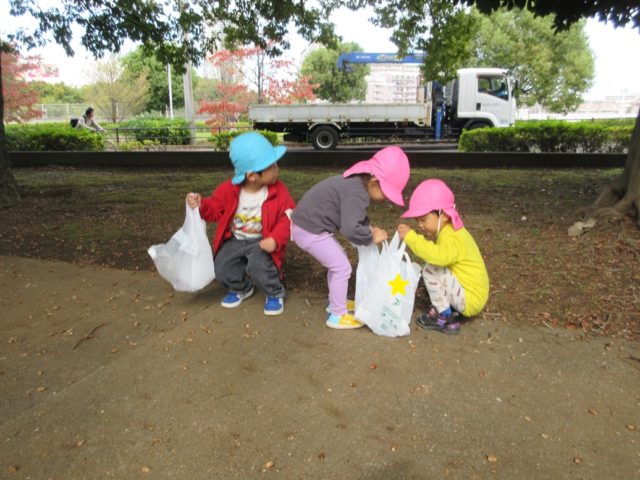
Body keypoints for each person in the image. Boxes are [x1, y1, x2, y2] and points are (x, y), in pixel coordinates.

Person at [291, 146, 410, 330]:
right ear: (374, 181)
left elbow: (351, 216)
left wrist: (367, 228)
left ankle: (335, 302)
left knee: (338, 263)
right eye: (386, 193)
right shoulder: (357, 193)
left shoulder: (356, 185)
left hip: (307, 226)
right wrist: (370, 236)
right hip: (310, 230)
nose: (386, 199)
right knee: (342, 267)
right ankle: (337, 315)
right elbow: (349, 228)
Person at [186, 132, 295, 316]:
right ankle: (242, 287)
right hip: (236, 240)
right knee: (221, 267)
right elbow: (215, 210)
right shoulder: (228, 190)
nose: (277, 168)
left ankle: (274, 292)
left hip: (262, 241)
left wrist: (275, 239)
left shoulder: (279, 191)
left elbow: (288, 217)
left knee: (259, 265)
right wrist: (201, 204)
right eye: (272, 166)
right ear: (252, 176)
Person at [397, 179, 489, 335]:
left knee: (430, 269)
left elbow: (438, 257)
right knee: (435, 268)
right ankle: (450, 308)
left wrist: (412, 238)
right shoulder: (452, 231)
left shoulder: (453, 237)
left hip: (470, 298)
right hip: (469, 292)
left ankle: (445, 317)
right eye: (417, 221)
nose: (420, 225)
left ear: (444, 215)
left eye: (423, 219)